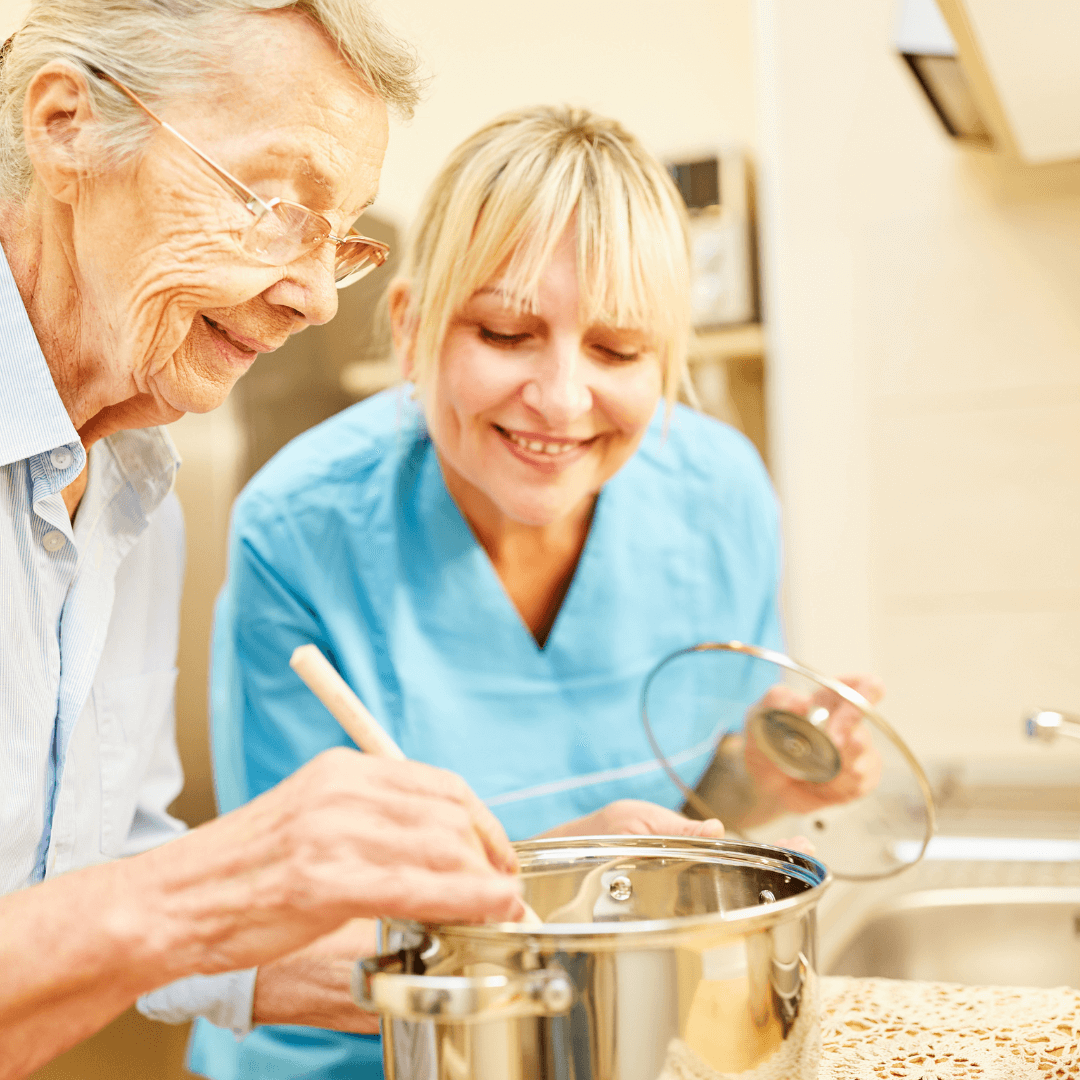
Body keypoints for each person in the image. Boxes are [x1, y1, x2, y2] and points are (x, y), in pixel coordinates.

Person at [191, 106, 881, 1079]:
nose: (561, 399)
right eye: (508, 332)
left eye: (617, 350)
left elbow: (683, 802)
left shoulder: (720, 498)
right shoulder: (305, 529)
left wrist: (760, 784)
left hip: (619, 1045)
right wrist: (550, 878)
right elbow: (268, 922)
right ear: (410, 327)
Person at [0, 4, 531, 1076]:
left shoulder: (135, 476)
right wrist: (217, 885)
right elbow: (147, 905)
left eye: (341, 239)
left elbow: (89, 876)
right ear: (64, 126)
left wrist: (476, 964)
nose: (315, 298)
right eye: (278, 205)